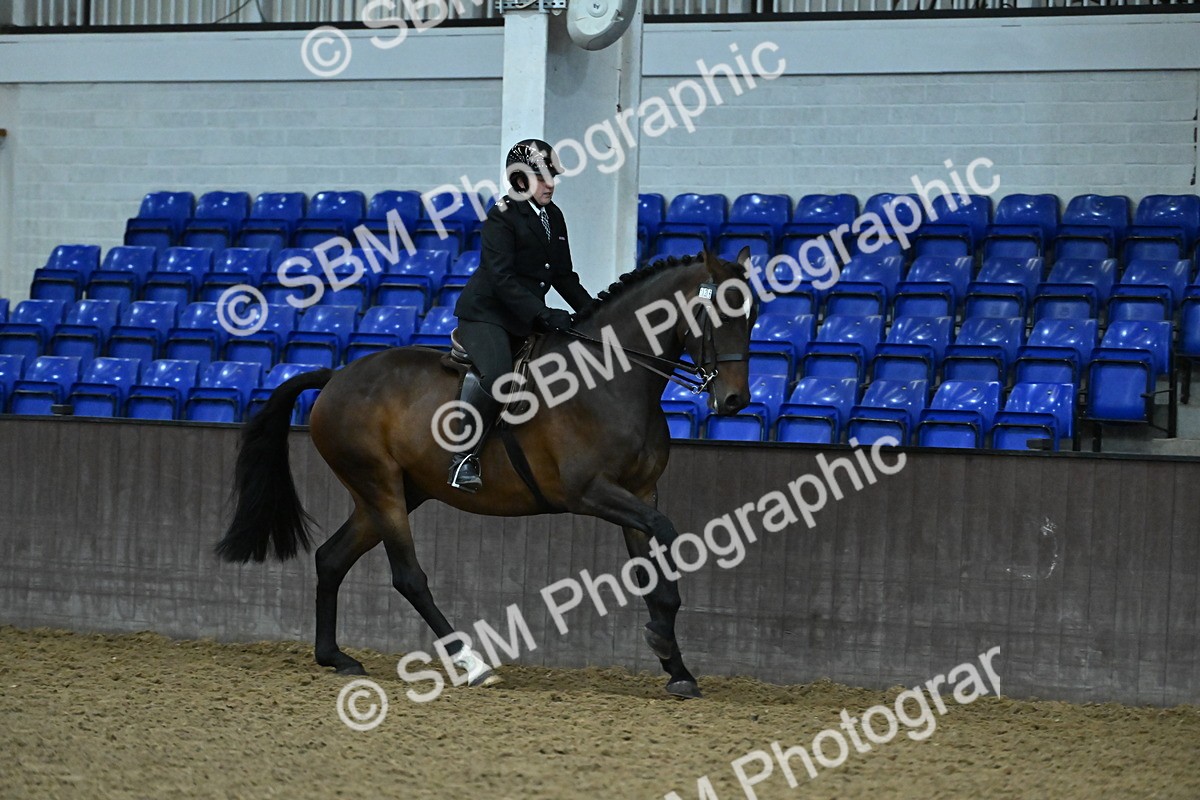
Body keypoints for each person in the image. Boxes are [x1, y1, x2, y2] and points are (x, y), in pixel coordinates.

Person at [448, 138, 595, 493]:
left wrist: (594, 313)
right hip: (487, 314)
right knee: (499, 374)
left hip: (524, 316)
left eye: (552, 177)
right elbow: (501, 278)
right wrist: (543, 313)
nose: (550, 184)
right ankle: (462, 457)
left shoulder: (553, 216)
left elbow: (563, 276)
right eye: (542, 177)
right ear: (519, 179)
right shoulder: (502, 215)